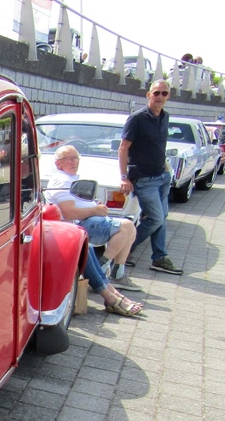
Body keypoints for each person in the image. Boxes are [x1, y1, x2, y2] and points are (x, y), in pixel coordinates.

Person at [46, 146, 143, 317]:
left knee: (89, 246)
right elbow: (68, 212)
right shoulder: (61, 181)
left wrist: (95, 207)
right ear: (58, 164)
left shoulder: (70, 179)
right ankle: (110, 293)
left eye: (76, 158)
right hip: (69, 227)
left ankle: (113, 292)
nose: (74, 162)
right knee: (125, 227)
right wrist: (95, 210)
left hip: (75, 227)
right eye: (68, 159)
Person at [118, 80, 183, 275]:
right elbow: (123, 149)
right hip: (144, 179)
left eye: (164, 93)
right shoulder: (137, 119)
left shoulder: (165, 117)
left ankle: (159, 258)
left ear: (168, 96)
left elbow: (159, 146)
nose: (160, 97)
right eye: (156, 93)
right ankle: (122, 248)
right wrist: (124, 177)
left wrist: (166, 168)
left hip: (162, 176)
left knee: (162, 218)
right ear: (149, 95)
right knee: (155, 218)